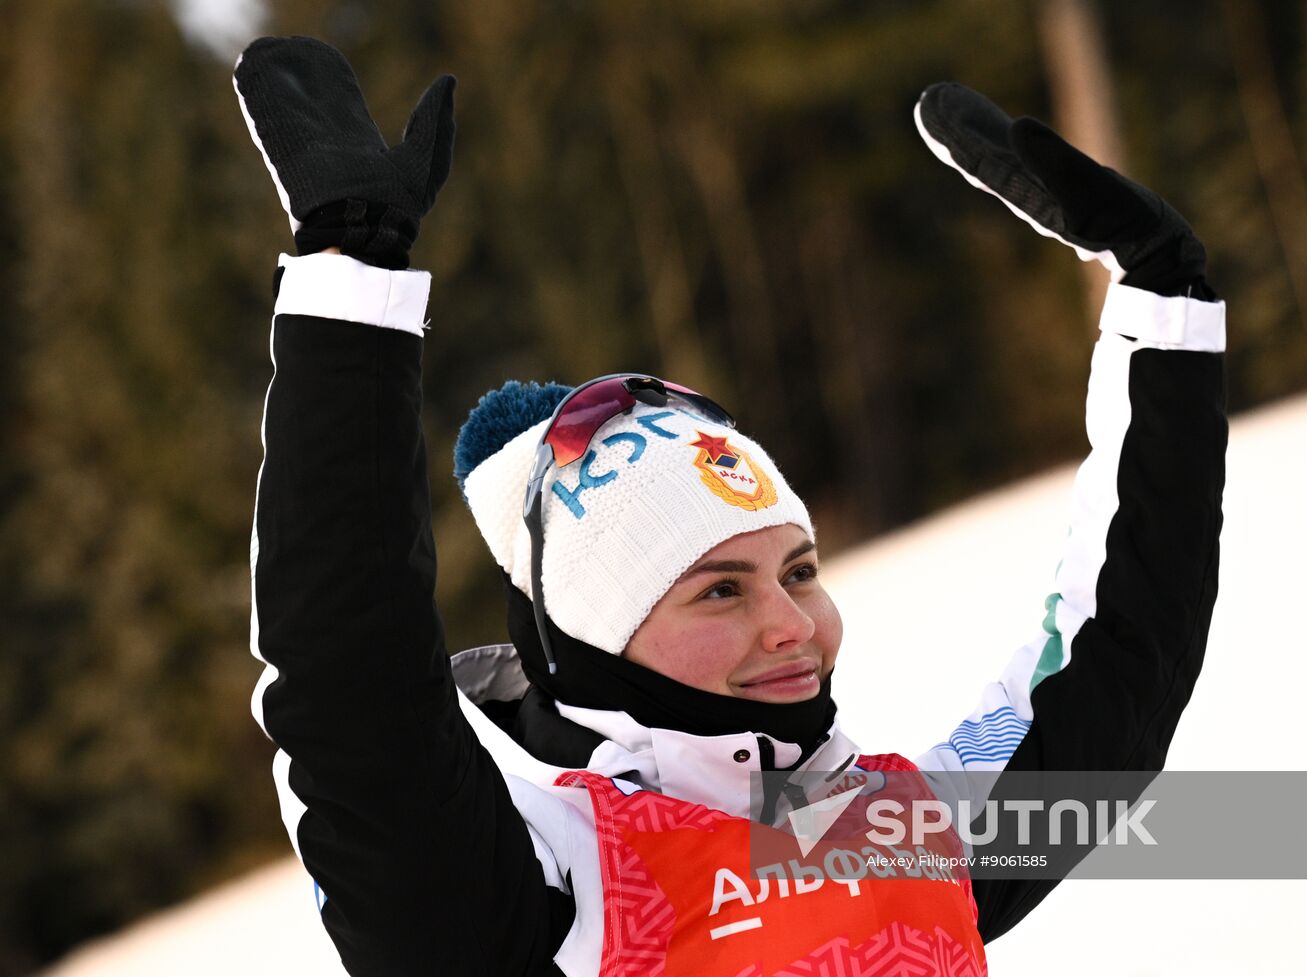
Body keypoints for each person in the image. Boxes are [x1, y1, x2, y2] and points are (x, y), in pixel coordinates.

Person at [235, 36, 1227, 977]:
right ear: (592, 633)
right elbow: (349, 693)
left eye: (797, 569)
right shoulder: (532, 888)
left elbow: (1117, 658)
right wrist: (348, 288)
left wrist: (1164, 309)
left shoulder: (887, 830)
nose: (791, 624)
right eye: (718, 589)